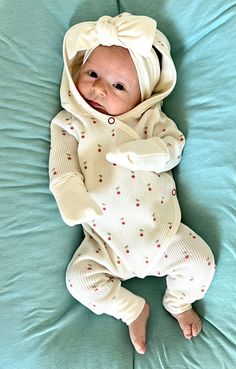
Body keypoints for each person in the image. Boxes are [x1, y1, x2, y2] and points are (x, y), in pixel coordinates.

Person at [49, 13, 215, 354]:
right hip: (104, 246)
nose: (98, 88)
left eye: (119, 86)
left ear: (143, 98)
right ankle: (131, 309)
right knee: (78, 281)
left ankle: (178, 302)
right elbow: (62, 166)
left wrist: (146, 153)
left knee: (201, 262)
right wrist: (68, 193)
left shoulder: (150, 119)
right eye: (92, 74)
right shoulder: (70, 122)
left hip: (164, 235)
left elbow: (173, 148)